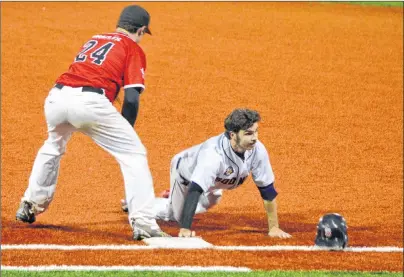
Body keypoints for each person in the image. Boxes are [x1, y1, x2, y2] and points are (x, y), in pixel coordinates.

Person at [15, 5, 170, 240]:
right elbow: (131, 97)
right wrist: (126, 131)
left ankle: (30, 203)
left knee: (53, 145)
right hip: (89, 103)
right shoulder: (132, 47)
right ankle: (144, 222)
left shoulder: (95, 39)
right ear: (140, 30)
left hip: (57, 97)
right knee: (133, 153)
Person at [122, 108, 291, 239]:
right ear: (233, 135)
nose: (255, 138)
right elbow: (195, 189)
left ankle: (171, 199)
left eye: (256, 131)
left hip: (213, 183)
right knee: (175, 215)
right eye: (248, 133)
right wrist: (186, 228)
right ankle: (138, 205)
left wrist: (274, 227)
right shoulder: (213, 155)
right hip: (185, 175)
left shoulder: (257, 150)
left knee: (211, 201)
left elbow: (267, 189)